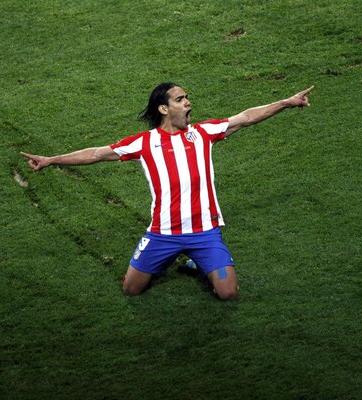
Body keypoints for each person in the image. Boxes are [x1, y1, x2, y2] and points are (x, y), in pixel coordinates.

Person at [21, 83, 313, 299]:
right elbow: (97, 153)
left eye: (187, 98)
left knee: (228, 293)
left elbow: (246, 117)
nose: (188, 103)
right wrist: (51, 160)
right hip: (163, 234)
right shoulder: (144, 143)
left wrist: (286, 102)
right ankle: (177, 259)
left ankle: (195, 262)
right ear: (164, 108)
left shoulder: (203, 133)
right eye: (180, 99)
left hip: (204, 232)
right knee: (131, 289)